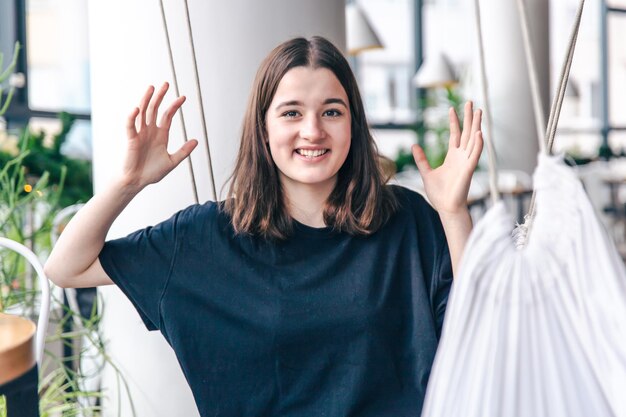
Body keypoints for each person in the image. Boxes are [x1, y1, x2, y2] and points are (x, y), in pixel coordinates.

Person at [45, 36, 483, 417]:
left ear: (352, 124)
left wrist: (452, 212)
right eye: (291, 113)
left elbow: (478, 332)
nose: (312, 131)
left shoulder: (405, 219)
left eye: (332, 112)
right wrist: (129, 183)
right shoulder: (206, 236)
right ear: (264, 127)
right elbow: (66, 268)